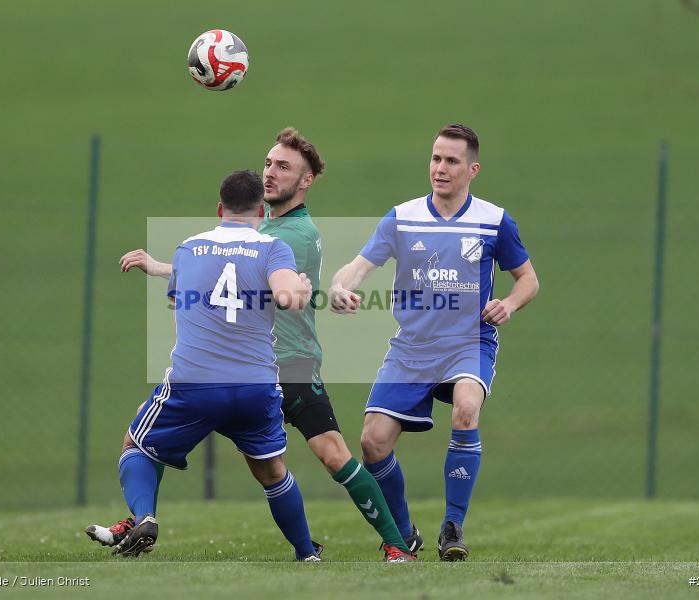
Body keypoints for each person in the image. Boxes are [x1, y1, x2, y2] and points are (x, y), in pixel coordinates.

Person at [88, 129, 415, 562]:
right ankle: (142, 518)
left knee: (331, 454)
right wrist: (163, 266)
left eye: (283, 167)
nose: (270, 173)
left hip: (288, 363)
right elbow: (229, 266)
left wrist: (170, 269)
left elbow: (233, 271)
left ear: (306, 181)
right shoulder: (268, 234)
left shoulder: (291, 236)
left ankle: (398, 539)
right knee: (264, 466)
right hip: (256, 371)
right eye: (267, 163)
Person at [328, 124, 539, 561]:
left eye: (451, 161)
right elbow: (357, 268)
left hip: (468, 342)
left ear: (472, 169)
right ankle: (405, 533)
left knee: (466, 409)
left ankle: (452, 526)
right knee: (372, 441)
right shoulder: (402, 217)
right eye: (435, 158)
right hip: (412, 347)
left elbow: (529, 280)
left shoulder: (494, 221)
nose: (440, 168)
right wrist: (338, 287)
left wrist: (510, 305)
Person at [105, 169, 321, 560]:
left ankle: (145, 517)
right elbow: (287, 296)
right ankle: (307, 552)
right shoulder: (272, 248)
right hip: (254, 388)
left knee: (136, 443)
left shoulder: (189, 248)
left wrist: (160, 269)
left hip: (194, 384)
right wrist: (300, 290)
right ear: (261, 211)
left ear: (220, 208)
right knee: (272, 473)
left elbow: (185, 299)